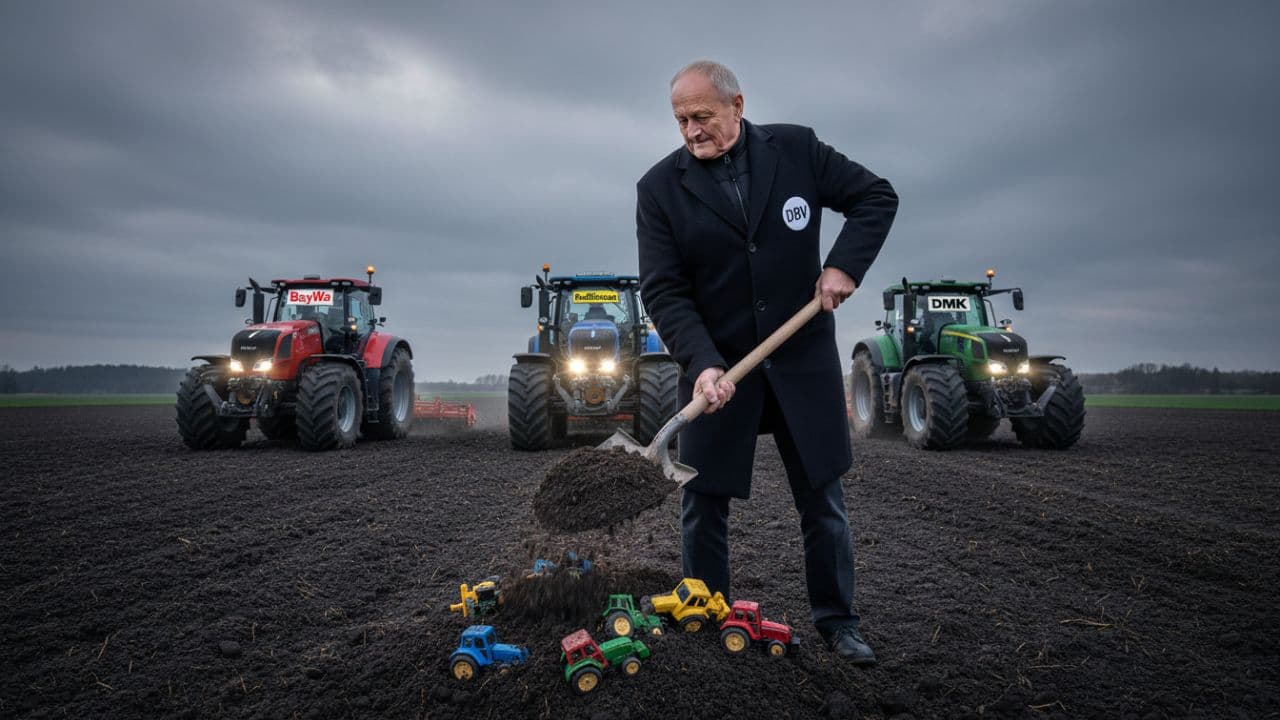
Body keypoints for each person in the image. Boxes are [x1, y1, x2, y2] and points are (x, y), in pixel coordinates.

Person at [636, 60, 898, 665]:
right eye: (680, 120)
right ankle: (709, 619)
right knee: (703, 506)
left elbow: (874, 196)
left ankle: (839, 622)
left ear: (737, 104)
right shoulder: (659, 189)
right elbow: (664, 290)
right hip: (719, 369)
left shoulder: (797, 150)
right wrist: (701, 363)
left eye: (702, 116)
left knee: (822, 500)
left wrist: (843, 266)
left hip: (801, 364)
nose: (692, 131)